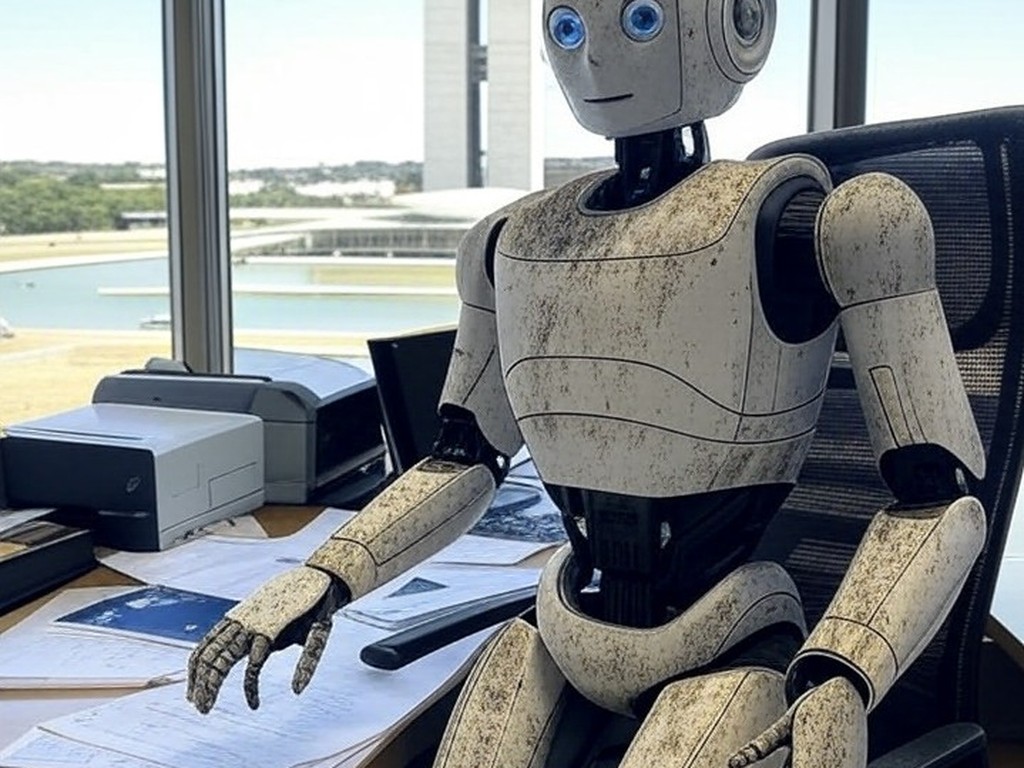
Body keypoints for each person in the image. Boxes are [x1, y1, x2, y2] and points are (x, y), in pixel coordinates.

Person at [187, 2, 986, 765]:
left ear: (741, 20)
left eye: (640, 18)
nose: (595, 56)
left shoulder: (822, 223)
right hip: (561, 630)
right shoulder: (513, 240)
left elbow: (935, 496)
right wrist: (324, 573)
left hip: (726, 640)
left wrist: (844, 669)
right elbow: (465, 460)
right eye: (567, 27)